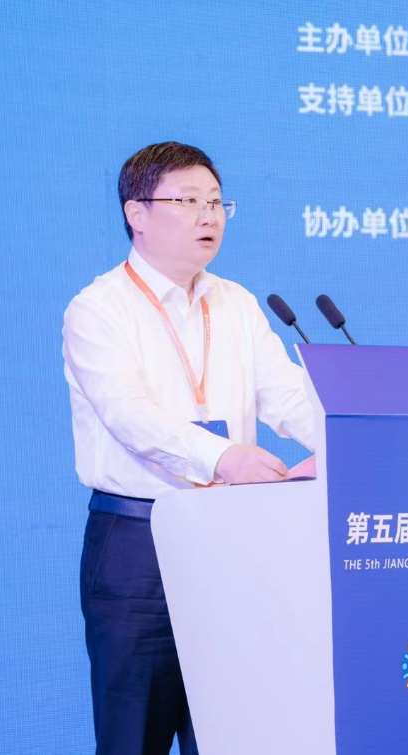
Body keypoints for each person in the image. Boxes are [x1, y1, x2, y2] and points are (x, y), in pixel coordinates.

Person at [62, 141, 315, 755]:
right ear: (137, 213)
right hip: (139, 543)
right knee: (135, 737)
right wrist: (221, 457)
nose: (209, 216)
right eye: (189, 201)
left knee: (234, 735)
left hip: (234, 540)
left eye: (217, 202)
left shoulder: (236, 303)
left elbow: (286, 395)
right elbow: (128, 414)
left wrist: (345, 439)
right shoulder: (98, 309)